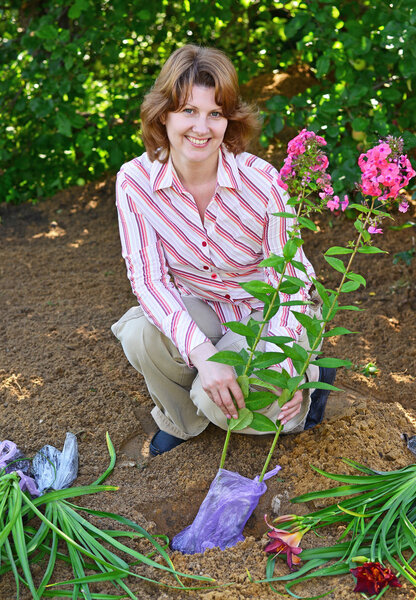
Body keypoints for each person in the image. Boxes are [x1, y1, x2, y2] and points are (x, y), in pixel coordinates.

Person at [111, 44, 335, 456]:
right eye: (188, 111)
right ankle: (182, 420)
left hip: (267, 312)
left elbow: (291, 281)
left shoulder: (261, 181)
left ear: (229, 119)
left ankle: (308, 392)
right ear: (164, 115)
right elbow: (149, 280)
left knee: (219, 398)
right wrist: (203, 354)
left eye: (215, 113)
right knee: (140, 335)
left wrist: (286, 365)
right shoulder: (135, 182)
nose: (202, 127)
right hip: (205, 306)